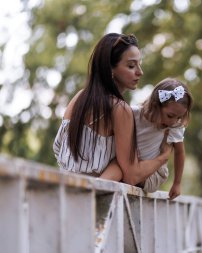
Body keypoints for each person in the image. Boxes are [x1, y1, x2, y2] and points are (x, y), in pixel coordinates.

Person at [53, 33, 171, 186]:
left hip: (65, 191)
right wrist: (164, 157)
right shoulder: (119, 109)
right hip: (93, 199)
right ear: (110, 69)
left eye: (139, 64)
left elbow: (58, 148)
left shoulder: (79, 98)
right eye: (131, 66)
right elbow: (132, 177)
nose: (139, 72)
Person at [104, 78, 193, 200]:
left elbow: (179, 152)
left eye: (179, 117)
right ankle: (99, 188)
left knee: (120, 168)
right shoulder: (133, 113)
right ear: (156, 105)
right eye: (170, 116)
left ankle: (98, 188)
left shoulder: (174, 127)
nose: (173, 121)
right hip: (129, 164)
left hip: (153, 174)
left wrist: (177, 183)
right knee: (118, 165)